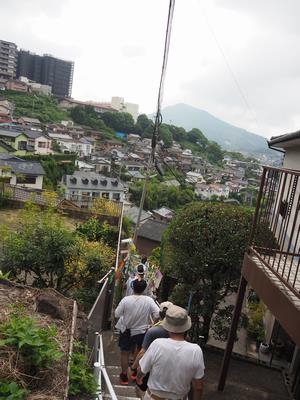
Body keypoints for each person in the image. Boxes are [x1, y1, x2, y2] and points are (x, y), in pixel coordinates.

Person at [137, 305, 205, 400]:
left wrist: (139, 379)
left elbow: (142, 370)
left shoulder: (157, 344)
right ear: (186, 327)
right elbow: (199, 386)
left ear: (167, 326)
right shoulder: (196, 350)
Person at [115, 279, 160, 385]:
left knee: (124, 352)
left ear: (132, 287)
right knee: (140, 350)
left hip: (126, 330)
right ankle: (135, 372)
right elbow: (158, 314)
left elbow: (117, 314)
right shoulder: (148, 300)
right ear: (144, 288)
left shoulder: (126, 300)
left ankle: (124, 376)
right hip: (141, 330)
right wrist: (153, 324)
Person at [131, 301, 173, 394]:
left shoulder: (153, 331)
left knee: (142, 388)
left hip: (152, 368)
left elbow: (143, 352)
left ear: (160, 313)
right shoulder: (177, 332)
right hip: (170, 369)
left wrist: (133, 367)